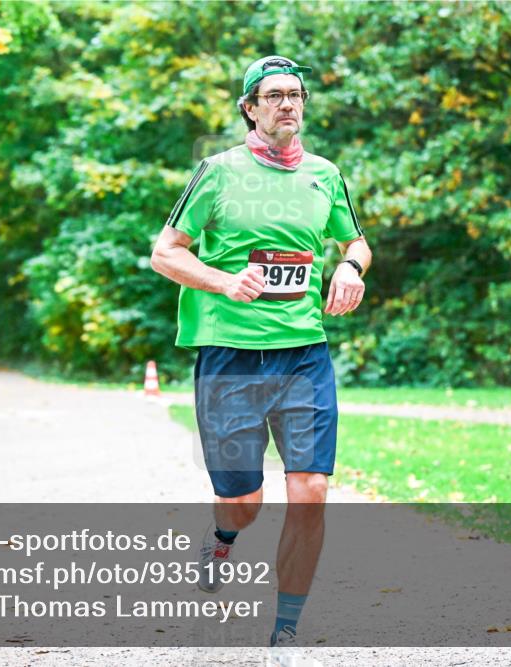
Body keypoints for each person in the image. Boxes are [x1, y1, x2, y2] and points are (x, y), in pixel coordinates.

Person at [150, 55, 372, 649]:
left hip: (303, 353)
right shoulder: (217, 172)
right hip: (231, 355)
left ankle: (286, 627)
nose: (287, 104)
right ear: (249, 108)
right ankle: (223, 537)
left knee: (311, 489)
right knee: (242, 503)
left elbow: (355, 240)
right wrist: (223, 281)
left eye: (295, 94)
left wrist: (350, 266)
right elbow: (165, 252)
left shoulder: (324, 175)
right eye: (273, 95)